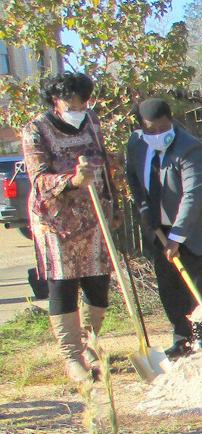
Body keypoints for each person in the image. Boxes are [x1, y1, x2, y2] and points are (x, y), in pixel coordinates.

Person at [22, 72, 116, 382]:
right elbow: (38, 179)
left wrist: (112, 203)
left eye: (83, 99)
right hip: (56, 221)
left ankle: (90, 343)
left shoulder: (91, 121)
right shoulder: (36, 129)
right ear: (55, 100)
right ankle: (72, 356)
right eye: (71, 100)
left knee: (98, 281)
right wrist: (73, 180)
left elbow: (102, 162)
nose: (78, 105)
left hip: (93, 216)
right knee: (63, 284)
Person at [125, 98, 202, 357]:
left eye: (163, 128)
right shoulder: (136, 143)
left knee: (201, 288)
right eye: (152, 130)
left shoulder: (190, 148)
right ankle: (182, 338)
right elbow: (133, 177)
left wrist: (177, 237)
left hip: (196, 229)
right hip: (160, 228)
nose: (158, 134)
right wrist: (144, 209)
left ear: (171, 121)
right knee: (170, 287)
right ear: (142, 127)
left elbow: (193, 195)